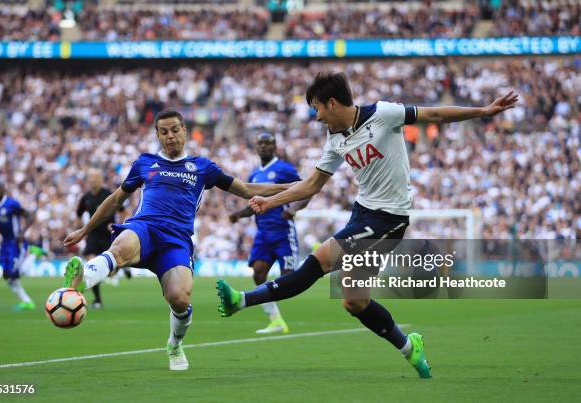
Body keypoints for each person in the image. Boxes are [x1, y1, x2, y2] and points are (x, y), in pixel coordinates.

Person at [216, 71, 518, 378]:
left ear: (332, 103)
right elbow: (311, 185)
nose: (317, 117)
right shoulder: (335, 139)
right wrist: (270, 202)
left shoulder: (383, 114)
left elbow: (434, 113)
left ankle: (241, 300)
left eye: (317, 109)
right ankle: (409, 348)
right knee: (354, 301)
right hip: (362, 213)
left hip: (389, 218)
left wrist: (482, 111)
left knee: (319, 260)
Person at [62, 108, 291, 371]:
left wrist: (292, 187)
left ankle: (174, 344)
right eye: (163, 132)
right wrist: (84, 229)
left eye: (174, 130)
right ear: (158, 135)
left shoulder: (203, 168)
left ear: (184, 131)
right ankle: (81, 283)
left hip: (177, 240)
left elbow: (248, 190)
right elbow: (116, 200)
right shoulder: (145, 163)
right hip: (145, 228)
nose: (170, 136)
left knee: (180, 299)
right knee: (121, 246)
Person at [229, 132, 310, 334]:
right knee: (258, 273)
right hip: (263, 235)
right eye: (260, 144)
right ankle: (276, 320)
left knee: (289, 278)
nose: (264, 147)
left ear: (274, 147)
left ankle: (316, 262)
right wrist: (238, 214)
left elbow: (307, 190)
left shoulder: (284, 169)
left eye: (268, 144)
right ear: (256, 147)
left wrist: (293, 209)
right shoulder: (254, 175)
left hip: (283, 232)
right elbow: (253, 205)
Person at [76, 168, 129, 309]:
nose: (93, 180)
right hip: (93, 234)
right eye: (91, 178)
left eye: (95, 178)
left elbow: (124, 211)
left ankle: (122, 268)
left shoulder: (107, 195)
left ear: (100, 180)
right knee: (91, 264)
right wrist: (80, 230)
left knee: (111, 268)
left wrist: (119, 226)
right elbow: (79, 214)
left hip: (108, 234)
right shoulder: (85, 197)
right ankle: (98, 300)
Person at [0, 181, 35, 311]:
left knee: (14, 273)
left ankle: (33, 253)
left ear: (4, 189)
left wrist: (22, 232)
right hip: (5, 244)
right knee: (6, 275)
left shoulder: (11, 204)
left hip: (16, 242)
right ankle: (27, 302)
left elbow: (29, 216)